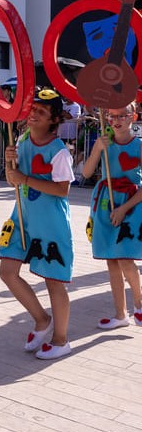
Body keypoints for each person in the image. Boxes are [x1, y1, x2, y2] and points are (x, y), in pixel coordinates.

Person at [0, 89, 74, 359]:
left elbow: (62, 190)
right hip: (22, 217)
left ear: (54, 119)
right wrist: (9, 163)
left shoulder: (59, 151)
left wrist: (24, 178)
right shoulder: (20, 140)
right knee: (7, 271)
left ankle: (61, 339)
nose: (33, 114)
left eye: (41, 112)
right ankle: (42, 320)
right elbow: (12, 181)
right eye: (32, 109)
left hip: (51, 222)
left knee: (54, 282)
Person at [82, 102, 142, 329]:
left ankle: (139, 304)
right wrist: (97, 149)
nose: (116, 121)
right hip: (105, 201)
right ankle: (120, 314)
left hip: (131, 204)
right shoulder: (104, 144)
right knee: (111, 260)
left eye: (122, 116)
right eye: (111, 116)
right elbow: (86, 173)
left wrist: (124, 209)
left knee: (125, 258)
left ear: (132, 117)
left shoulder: (139, 146)